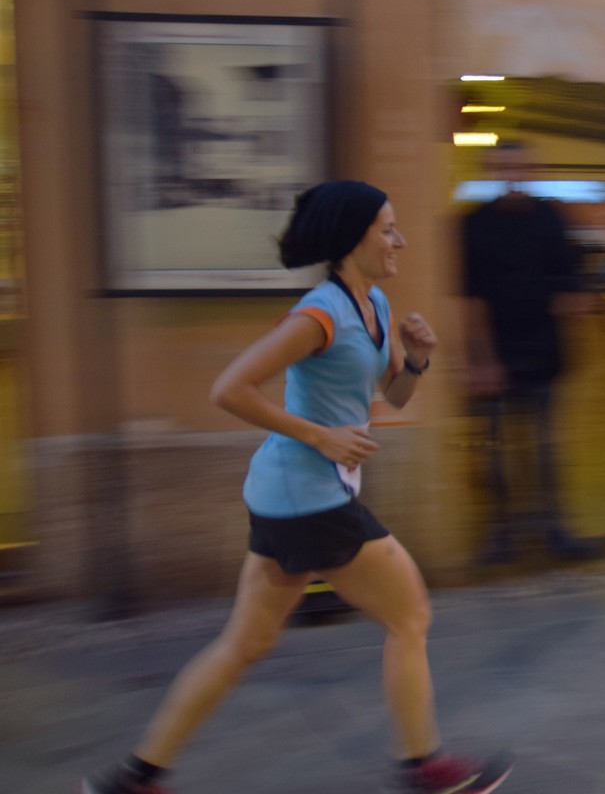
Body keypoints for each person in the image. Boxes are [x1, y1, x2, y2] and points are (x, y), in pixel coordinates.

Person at [80, 181, 512, 794]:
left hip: (290, 495)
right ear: (350, 238)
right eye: (387, 229)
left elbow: (392, 396)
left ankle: (134, 779)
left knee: (245, 643)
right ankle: (425, 767)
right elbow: (229, 388)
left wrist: (416, 358)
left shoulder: (376, 305)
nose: (400, 240)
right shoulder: (320, 314)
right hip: (310, 495)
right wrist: (320, 436)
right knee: (411, 614)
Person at [461, 141, 591, 564]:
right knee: (495, 450)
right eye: (503, 168)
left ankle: (553, 526)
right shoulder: (474, 224)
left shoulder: (551, 217)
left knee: (544, 446)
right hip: (496, 351)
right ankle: (501, 533)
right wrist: (481, 361)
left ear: (531, 169)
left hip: (543, 349)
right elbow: (471, 298)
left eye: (518, 167)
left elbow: (570, 281)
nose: (512, 176)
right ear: (491, 171)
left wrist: (573, 308)